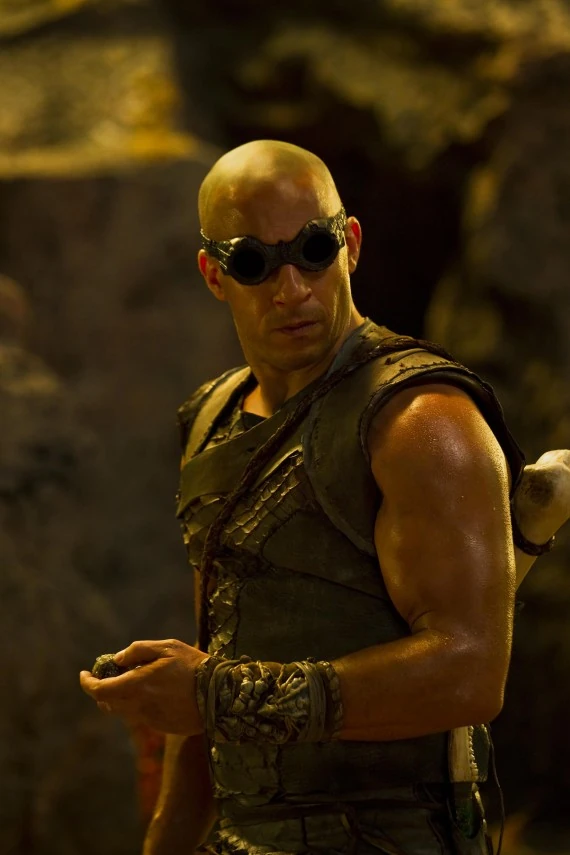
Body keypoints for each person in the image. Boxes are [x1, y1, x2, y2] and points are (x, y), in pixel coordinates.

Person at [80, 140, 570, 855]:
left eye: (313, 250)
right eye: (254, 262)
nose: (291, 289)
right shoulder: (213, 415)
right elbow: (220, 646)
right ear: (214, 274)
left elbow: (469, 671)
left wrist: (216, 695)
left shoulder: (420, 421)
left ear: (352, 245)